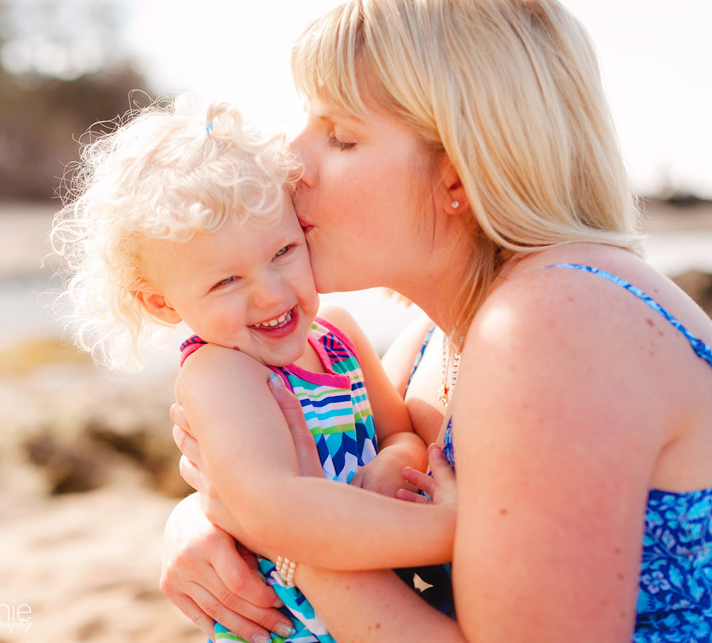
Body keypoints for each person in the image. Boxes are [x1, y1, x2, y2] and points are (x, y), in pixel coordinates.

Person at [160, 1, 712, 642]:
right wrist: (204, 519)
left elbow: (300, 514)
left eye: (340, 137)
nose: (290, 161)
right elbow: (321, 484)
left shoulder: (556, 321)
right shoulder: (432, 344)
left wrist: (287, 541)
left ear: (456, 176)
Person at [48, 96, 459, 642]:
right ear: (163, 305)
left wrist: (393, 463)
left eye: (284, 251)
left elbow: (399, 429)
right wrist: (446, 532)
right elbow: (278, 513)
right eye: (226, 282)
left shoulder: (340, 337)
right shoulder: (221, 375)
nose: (271, 294)